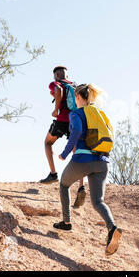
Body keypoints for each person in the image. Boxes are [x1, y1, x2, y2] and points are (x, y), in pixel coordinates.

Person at [53, 83, 122, 257]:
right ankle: (112, 228)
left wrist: (65, 153)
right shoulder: (100, 113)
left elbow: (76, 130)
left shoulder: (77, 113)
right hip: (102, 162)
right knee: (98, 201)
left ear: (77, 97)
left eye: (74, 98)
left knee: (64, 184)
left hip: (83, 159)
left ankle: (66, 222)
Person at [40, 66, 86, 207]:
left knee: (48, 143)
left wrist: (56, 110)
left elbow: (58, 90)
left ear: (56, 75)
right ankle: (81, 186)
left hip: (62, 120)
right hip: (76, 120)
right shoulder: (75, 86)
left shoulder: (56, 84)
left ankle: (53, 174)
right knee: (76, 150)